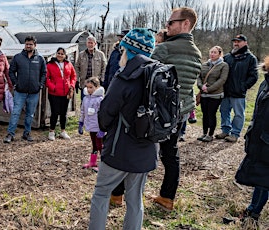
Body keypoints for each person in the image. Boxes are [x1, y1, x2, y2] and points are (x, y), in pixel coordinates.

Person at [88, 28, 158, 230]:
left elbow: (105, 116)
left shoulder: (124, 77)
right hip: (147, 149)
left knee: (101, 194)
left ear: (128, 51)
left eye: (122, 49)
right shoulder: (158, 74)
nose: (120, 54)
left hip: (120, 148)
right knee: (135, 200)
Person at [150, 7, 202, 211]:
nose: (167, 26)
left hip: (158, 111)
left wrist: (160, 44)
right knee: (171, 154)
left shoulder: (165, 49)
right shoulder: (197, 53)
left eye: (171, 22)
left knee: (137, 149)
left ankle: (118, 194)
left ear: (186, 24)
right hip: (179, 112)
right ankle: (167, 197)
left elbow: (147, 76)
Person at [236, 56, 269, 229]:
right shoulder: (266, 81)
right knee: (262, 179)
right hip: (261, 140)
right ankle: (252, 213)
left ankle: (253, 214)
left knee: (264, 178)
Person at [215, 34, 258, 143]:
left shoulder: (250, 58)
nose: (236, 43)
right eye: (235, 41)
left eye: (239, 41)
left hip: (239, 92)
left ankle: (235, 134)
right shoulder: (228, 57)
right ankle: (225, 130)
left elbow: (254, 76)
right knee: (224, 111)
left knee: (238, 114)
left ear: (245, 43)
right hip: (226, 91)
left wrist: (243, 87)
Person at [3, 35, 46, 143]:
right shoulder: (18, 57)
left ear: (35, 45)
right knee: (16, 112)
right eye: (27, 44)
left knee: (30, 114)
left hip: (34, 92)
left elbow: (44, 73)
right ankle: (10, 134)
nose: (28, 46)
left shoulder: (40, 59)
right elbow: (11, 71)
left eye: (30, 44)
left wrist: (40, 85)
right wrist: (16, 83)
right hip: (20, 91)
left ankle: (27, 133)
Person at [196, 46, 229, 142]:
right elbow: (199, 77)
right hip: (203, 94)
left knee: (211, 114)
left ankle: (210, 134)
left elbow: (222, 80)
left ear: (219, 54)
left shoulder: (224, 65)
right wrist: (201, 86)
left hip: (215, 95)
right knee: (204, 114)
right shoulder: (205, 64)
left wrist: (209, 89)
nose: (212, 54)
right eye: (211, 52)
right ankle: (204, 133)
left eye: (215, 52)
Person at [46, 47, 76, 141]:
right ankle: (51, 131)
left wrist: (71, 86)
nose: (60, 55)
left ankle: (63, 131)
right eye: (58, 53)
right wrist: (53, 87)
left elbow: (73, 76)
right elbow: (46, 78)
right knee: (55, 112)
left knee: (63, 113)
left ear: (65, 55)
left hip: (65, 93)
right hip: (54, 93)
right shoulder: (50, 65)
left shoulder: (69, 64)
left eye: (62, 54)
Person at [78, 77, 104, 172]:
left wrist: (102, 128)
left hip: (98, 127)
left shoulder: (100, 100)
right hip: (91, 126)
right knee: (94, 144)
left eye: (91, 87)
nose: (89, 89)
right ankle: (92, 162)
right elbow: (82, 111)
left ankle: (103, 164)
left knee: (100, 145)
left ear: (96, 87)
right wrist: (81, 122)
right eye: (87, 87)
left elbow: (103, 115)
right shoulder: (85, 99)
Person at [76, 36, 107, 100]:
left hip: (96, 83)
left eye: (91, 43)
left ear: (95, 44)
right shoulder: (81, 55)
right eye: (88, 43)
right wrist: (76, 80)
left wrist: (102, 79)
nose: (90, 45)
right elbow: (77, 67)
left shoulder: (101, 55)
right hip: (84, 83)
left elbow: (104, 68)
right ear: (86, 44)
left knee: (96, 103)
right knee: (84, 102)